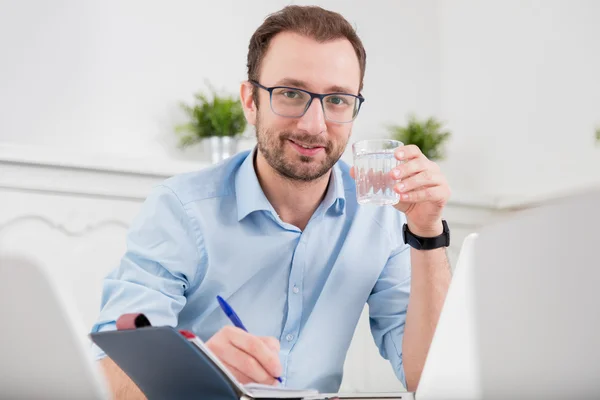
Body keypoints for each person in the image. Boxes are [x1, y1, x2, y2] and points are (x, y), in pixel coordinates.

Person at [92, 5, 452, 399]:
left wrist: (427, 232)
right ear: (250, 101)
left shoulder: (379, 218)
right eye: (291, 94)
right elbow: (107, 383)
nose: (314, 125)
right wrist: (199, 369)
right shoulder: (181, 211)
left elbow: (429, 376)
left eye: (337, 100)